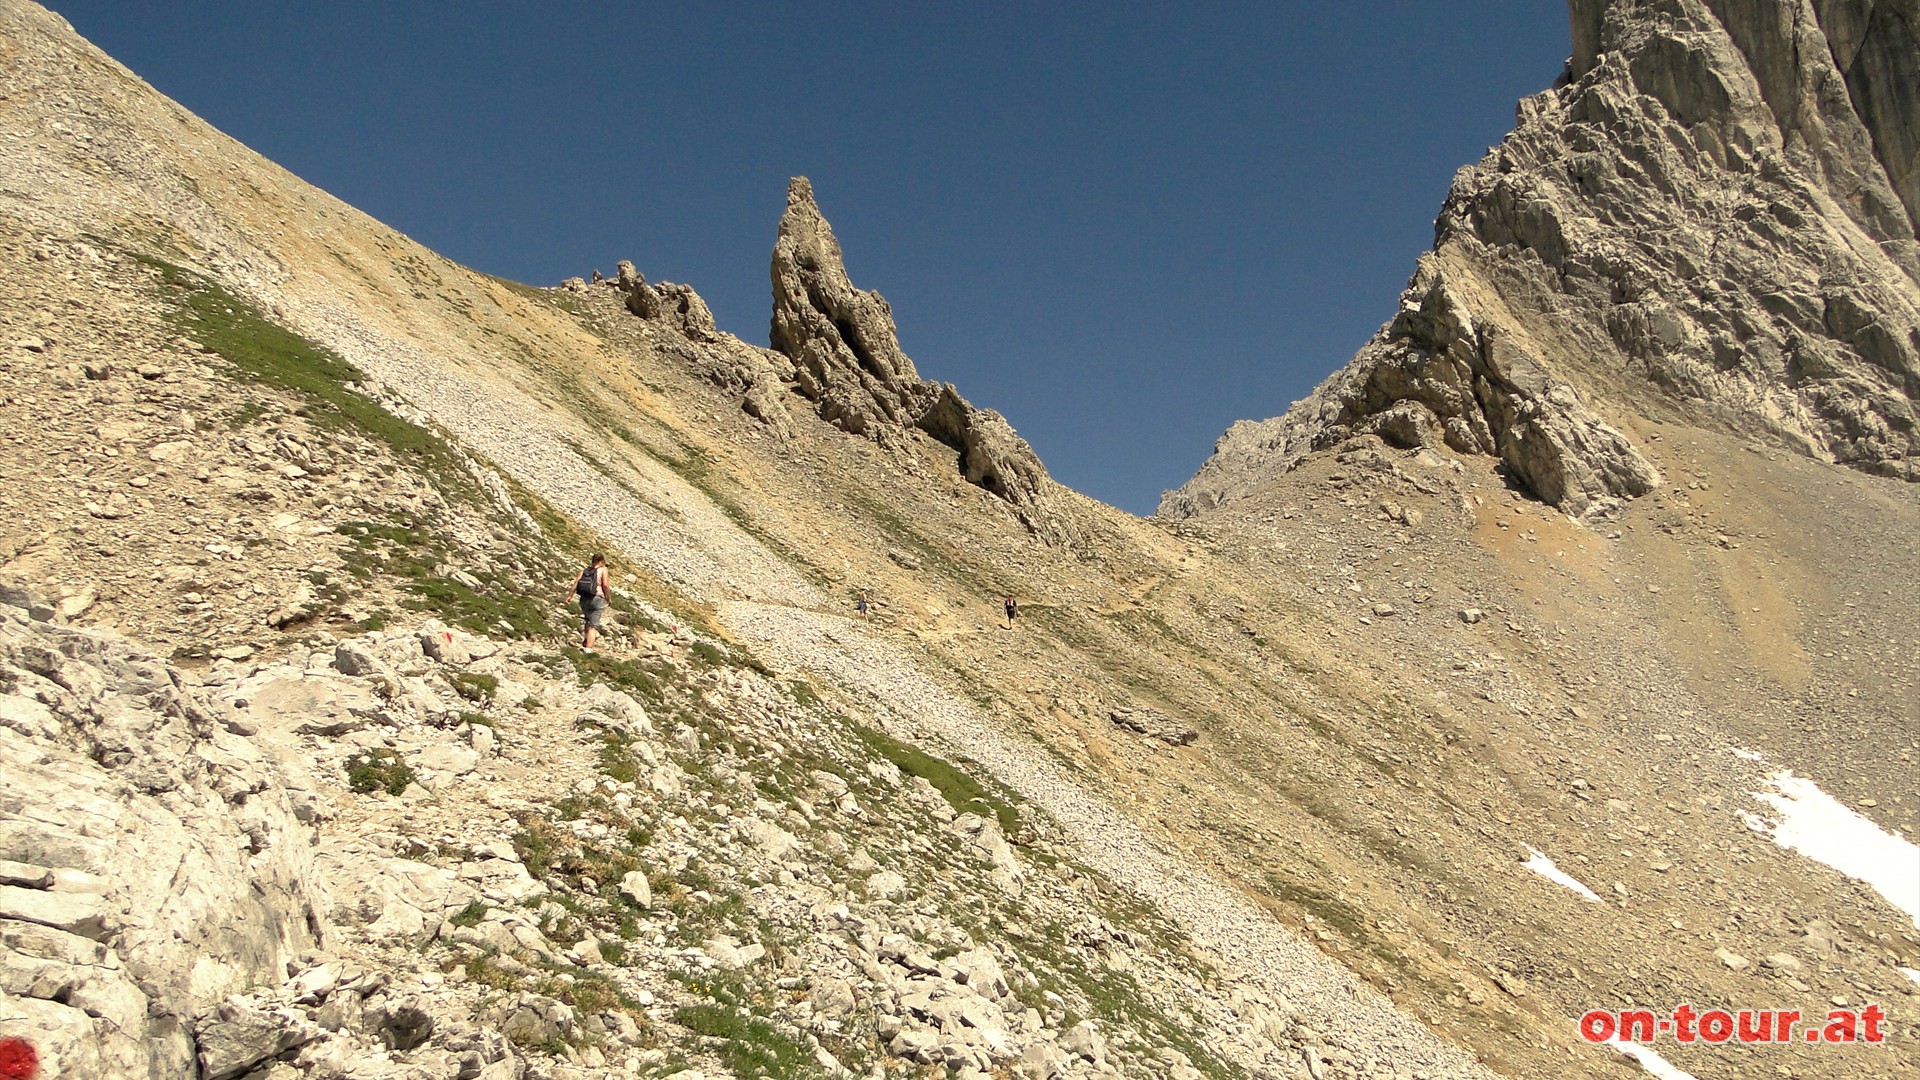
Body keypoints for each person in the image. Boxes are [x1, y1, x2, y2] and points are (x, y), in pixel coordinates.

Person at [566, 554, 610, 651]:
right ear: (601, 561)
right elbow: (605, 585)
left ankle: (585, 642)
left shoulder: (584, 571)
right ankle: (588, 650)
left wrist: (570, 596)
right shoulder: (603, 570)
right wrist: (608, 598)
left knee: (587, 621)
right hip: (597, 598)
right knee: (593, 625)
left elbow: (575, 583)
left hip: (584, 599)